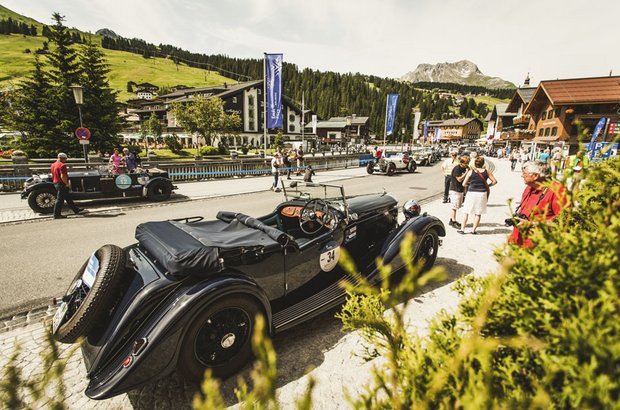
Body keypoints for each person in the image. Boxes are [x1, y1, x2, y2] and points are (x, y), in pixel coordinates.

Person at [508, 161, 566, 248]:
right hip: (518, 240)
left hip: (537, 244)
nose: (522, 175)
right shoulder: (530, 187)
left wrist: (533, 224)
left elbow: (563, 221)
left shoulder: (557, 191)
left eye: (525, 173)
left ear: (535, 176)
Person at [459, 156, 497, 234]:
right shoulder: (487, 172)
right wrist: (487, 186)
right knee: (478, 213)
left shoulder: (471, 172)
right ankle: (473, 230)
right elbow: (494, 181)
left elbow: (463, 184)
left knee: (466, 211)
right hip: (482, 193)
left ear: (474, 164)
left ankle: (462, 229)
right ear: (483, 164)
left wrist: (469, 185)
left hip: (471, 193)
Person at [50, 153, 83, 219]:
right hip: (61, 183)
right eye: (65, 158)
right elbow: (63, 176)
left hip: (55, 182)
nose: (66, 160)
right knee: (60, 199)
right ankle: (56, 214)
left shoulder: (53, 165)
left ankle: (75, 209)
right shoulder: (62, 165)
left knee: (68, 197)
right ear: (62, 158)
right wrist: (66, 183)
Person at [447, 154, 470, 229]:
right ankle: (453, 221)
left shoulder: (466, 168)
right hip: (455, 189)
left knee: (457, 206)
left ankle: (452, 220)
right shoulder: (457, 169)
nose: (467, 165)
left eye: (468, 163)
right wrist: (466, 173)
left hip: (461, 189)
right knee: (454, 206)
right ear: (461, 163)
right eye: (466, 163)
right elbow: (459, 179)